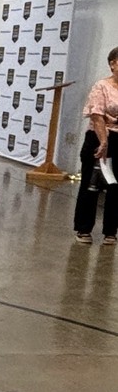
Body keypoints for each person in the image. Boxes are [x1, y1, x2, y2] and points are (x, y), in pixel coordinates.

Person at [72, 46, 118, 246]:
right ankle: (84, 229)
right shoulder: (101, 86)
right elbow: (97, 115)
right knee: (91, 185)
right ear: (112, 64)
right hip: (98, 138)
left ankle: (111, 231)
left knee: (116, 187)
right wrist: (103, 141)